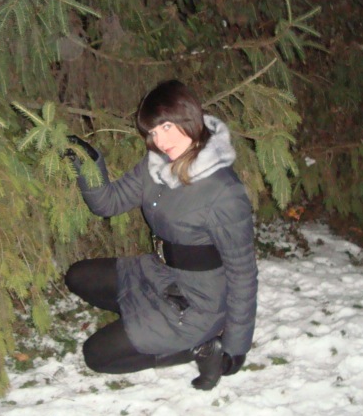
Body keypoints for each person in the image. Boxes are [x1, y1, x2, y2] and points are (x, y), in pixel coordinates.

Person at [64, 79, 258, 390]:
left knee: (96, 355)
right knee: (78, 276)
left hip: (198, 301)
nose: (160, 140)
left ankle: (203, 345)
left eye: (166, 127)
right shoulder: (155, 166)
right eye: (153, 132)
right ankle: (146, 316)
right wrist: (88, 165)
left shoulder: (224, 191)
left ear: (188, 117)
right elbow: (108, 203)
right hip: (159, 274)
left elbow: (243, 272)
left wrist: (235, 347)